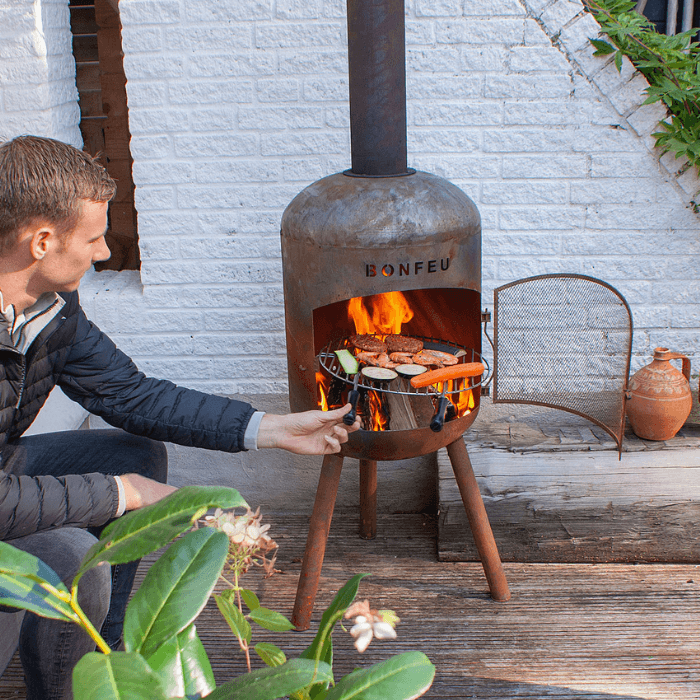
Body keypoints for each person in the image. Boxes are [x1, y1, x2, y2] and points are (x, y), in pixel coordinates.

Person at [0, 134, 359, 699]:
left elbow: (132, 395)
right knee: (74, 554)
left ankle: (109, 652)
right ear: (42, 241)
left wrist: (268, 428)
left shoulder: (50, 308)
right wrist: (123, 495)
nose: (103, 253)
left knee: (133, 450)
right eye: (93, 238)